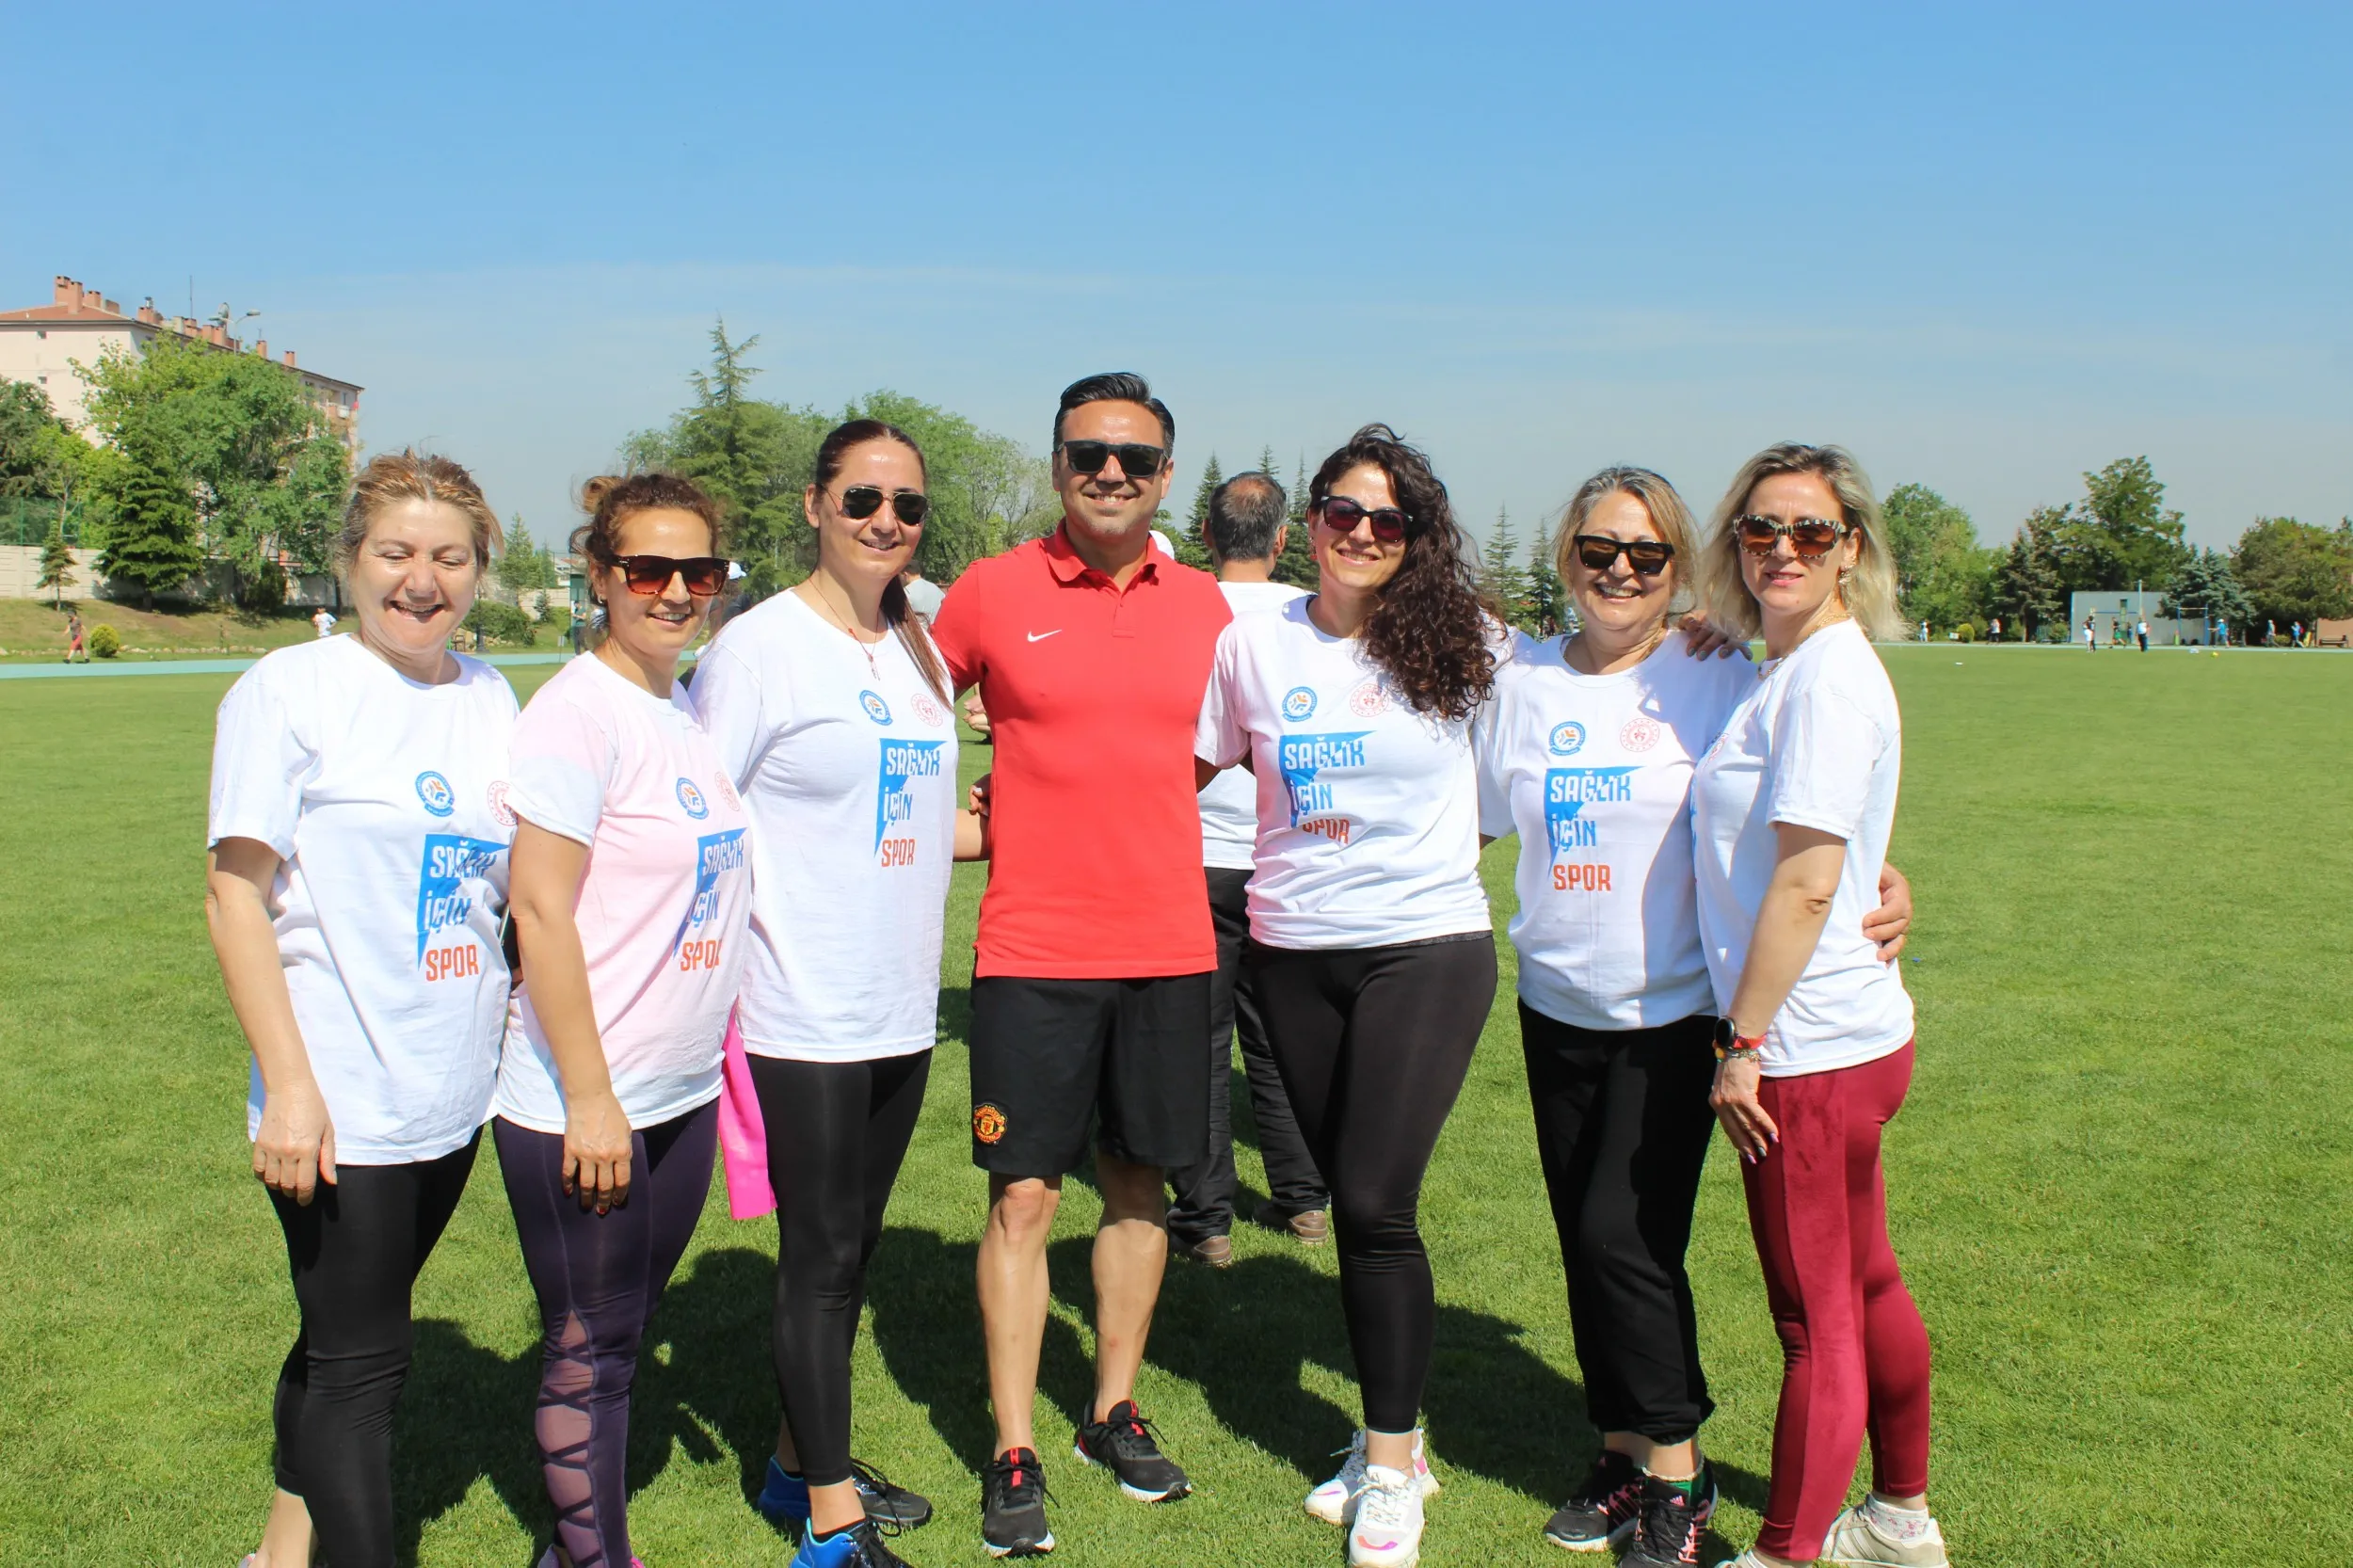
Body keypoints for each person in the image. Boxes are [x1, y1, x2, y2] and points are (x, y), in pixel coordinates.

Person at [1476, 467, 1913, 1567]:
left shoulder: (1715, 670)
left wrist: (1879, 880)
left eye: (1646, 553)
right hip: (1553, 1003)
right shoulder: (1524, 680)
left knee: (1626, 1240)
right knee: (1586, 1243)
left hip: (1673, 1011)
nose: (1619, 570)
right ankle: (1622, 1451)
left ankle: (1679, 1471)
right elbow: (1466, 817)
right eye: (1598, 550)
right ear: (1567, 558)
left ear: (1677, 566)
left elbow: (1803, 822)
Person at [926, 372, 1232, 1557]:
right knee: (1023, 1197)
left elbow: (1237, 735)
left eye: (1135, 458)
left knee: (1139, 1186)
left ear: (1166, 476)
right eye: (1088, 453)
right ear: (1058, 464)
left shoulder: (1207, 605)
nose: (1111, 473)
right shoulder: (991, 590)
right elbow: (897, 714)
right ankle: (1014, 1445)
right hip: (1031, 950)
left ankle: (1113, 1408)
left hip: (1167, 946)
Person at [1197, 424, 1501, 1568]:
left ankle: (1389, 1463)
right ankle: (1395, 1437)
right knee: (1348, 1197)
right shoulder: (1253, 643)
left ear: (1417, 535)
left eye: (1389, 519)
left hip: (1424, 947)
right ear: (1310, 520)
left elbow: (1605, 689)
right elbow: (1181, 768)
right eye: (1343, 511)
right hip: (1291, 953)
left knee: (1373, 1205)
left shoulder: (1472, 639)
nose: (1362, 533)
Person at [206, 453, 518, 1568]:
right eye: (396, 553)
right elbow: (234, 895)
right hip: (340, 1097)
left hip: (453, 1091)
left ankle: (280, 1552)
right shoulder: (291, 688)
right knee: (364, 1365)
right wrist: (292, 1089)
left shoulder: (490, 695)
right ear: (350, 561)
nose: (422, 580)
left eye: (449, 557)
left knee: (345, 1331)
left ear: (479, 571)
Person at [694, 420, 990, 1568]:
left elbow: (906, 818)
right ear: (816, 503)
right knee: (819, 1259)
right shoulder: (759, 649)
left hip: (897, 1005)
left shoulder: (916, 644)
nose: (886, 520)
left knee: (851, 1253)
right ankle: (829, 1523)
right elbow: (699, 819)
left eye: (907, 504)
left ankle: (791, 1463)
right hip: (798, 1004)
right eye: (863, 497)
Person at [1689, 444, 1945, 1568]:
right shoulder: (1787, 665)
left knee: (1813, 1319)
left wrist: (1742, 1042)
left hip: (1807, 1047)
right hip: (1845, 1033)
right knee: (1863, 1278)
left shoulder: (1829, 677)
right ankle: (1897, 1519)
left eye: (1809, 531)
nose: (1781, 549)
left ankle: (1784, 1553)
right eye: (1760, 529)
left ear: (1851, 549)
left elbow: (1804, 881)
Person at [494, 472, 753, 1568]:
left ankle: (571, 1551)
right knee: (588, 1350)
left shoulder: (678, 702)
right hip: (585, 1101)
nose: (677, 591)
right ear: (600, 575)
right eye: (649, 570)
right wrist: (591, 1100)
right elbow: (539, 909)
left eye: (699, 570)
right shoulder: (577, 714)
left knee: (620, 1334)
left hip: (677, 1092)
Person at [1167, 471, 1329, 1268]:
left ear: (1205, 533)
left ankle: (1206, 1217)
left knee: (1199, 1040)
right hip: (1279, 857)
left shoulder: (1180, 608)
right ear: (1283, 538)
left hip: (1194, 852)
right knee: (1277, 1039)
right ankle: (1303, 1198)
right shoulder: (1308, 615)